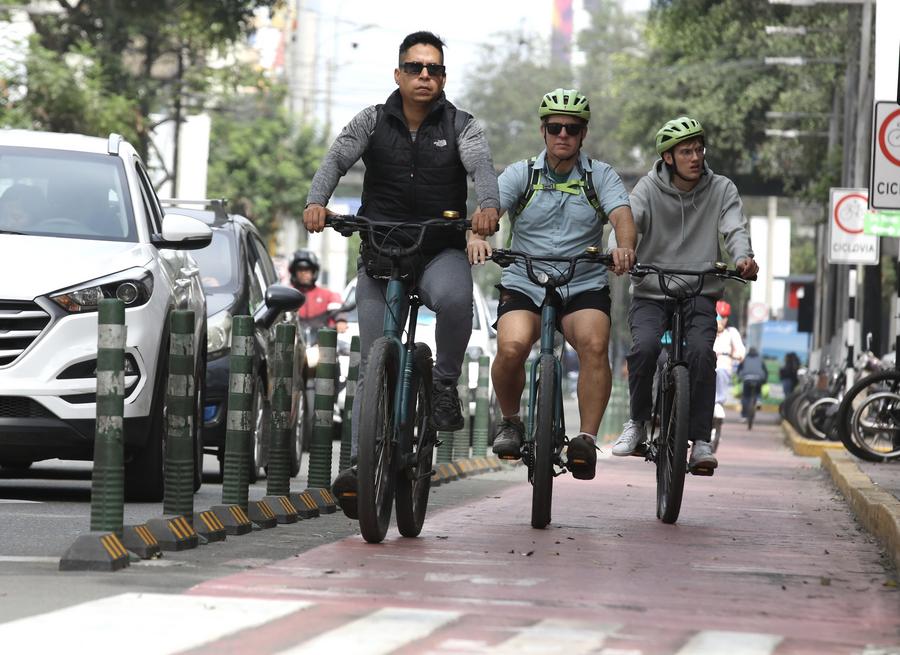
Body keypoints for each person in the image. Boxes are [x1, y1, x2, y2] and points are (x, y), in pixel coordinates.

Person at [303, 31, 500, 517]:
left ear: (443, 78)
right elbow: (336, 158)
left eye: (434, 69)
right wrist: (317, 201)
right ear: (398, 74)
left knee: (455, 300)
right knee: (373, 362)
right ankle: (359, 465)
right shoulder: (371, 120)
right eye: (415, 67)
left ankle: (443, 384)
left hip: (437, 249)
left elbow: (481, 169)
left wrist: (488, 208)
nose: (424, 76)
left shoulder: (462, 125)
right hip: (380, 255)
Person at [467, 88, 636, 480]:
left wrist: (624, 247)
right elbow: (488, 212)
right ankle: (510, 421)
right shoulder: (521, 174)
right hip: (525, 279)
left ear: (583, 134)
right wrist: (477, 236)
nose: (563, 135)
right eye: (556, 127)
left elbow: (622, 217)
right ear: (543, 131)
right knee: (511, 347)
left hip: (582, 282)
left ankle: (586, 440)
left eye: (572, 129)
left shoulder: (600, 176)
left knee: (594, 345)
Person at [612, 116, 758, 476]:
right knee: (645, 348)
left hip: (700, 290)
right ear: (668, 157)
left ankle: (701, 440)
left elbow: (734, 228)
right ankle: (637, 423)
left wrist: (743, 257)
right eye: (686, 152)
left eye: (699, 149)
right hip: (651, 290)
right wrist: (621, 250)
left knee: (702, 354)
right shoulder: (647, 188)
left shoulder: (721, 188)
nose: (695, 157)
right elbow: (629, 222)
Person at [289, 249, 344, 325]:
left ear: (314, 271)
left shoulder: (327, 295)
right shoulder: (288, 294)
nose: (303, 273)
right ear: (294, 272)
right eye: (300, 269)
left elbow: (336, 305)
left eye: (307, 269)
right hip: (293, 331)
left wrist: (341, 320)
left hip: (321, 332)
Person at [713, 300, 745, 406]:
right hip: (707, 366)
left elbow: (741, 352)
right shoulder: (708, 331)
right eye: (720, 316)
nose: (723, 320)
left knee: (720, 372)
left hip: (724, 368)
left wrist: (733, 355)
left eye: (725, 317)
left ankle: (718, 403)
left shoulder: (732, 332)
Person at [737, 347, 767, 419]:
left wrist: (740, 378)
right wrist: (764, 380)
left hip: (747, 378)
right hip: (758, 378)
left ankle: (744, 416)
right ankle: (758, 400)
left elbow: (739, 369)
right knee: (758, 391)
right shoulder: (760, 359)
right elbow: (765, 370)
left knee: (745, 397)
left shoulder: (745, 359)